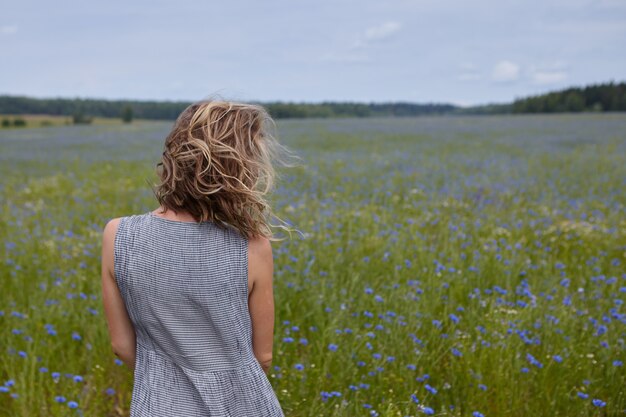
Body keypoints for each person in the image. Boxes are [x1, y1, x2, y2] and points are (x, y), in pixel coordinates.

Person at [101, 100, 289, 416]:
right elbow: (263, 356)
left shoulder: (118, 234)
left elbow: (121, 346)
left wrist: (164, 381)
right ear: (237, 169)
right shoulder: (252, 246)